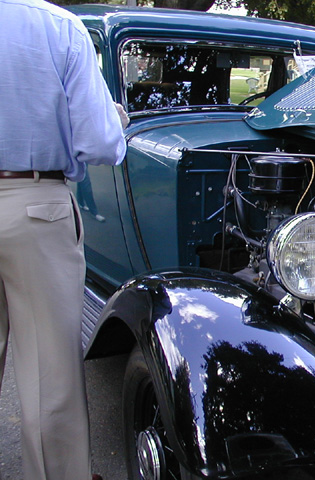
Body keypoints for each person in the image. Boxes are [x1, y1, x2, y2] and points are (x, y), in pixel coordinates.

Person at [0, 0, 127, 479]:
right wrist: (116, 119)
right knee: (47, 372)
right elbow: (100, 142)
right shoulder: (58, 26)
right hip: (35, 203)